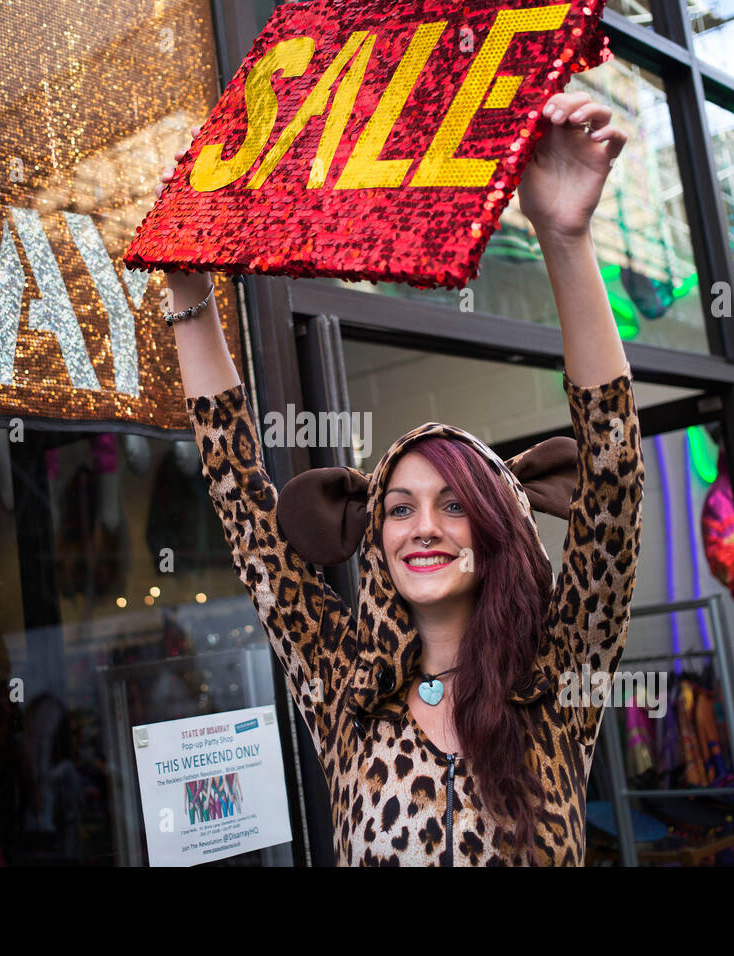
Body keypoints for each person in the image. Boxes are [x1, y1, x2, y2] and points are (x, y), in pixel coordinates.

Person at [158, 91, 644, 865]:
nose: (424, 527)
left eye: (455, 505)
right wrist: (188, 293)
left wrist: (564, 236)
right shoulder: (344, 690)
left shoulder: (555, 680)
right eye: (399, 508)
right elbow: (242, 502)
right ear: (373, 535)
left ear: (498, 527)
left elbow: (613, 479)